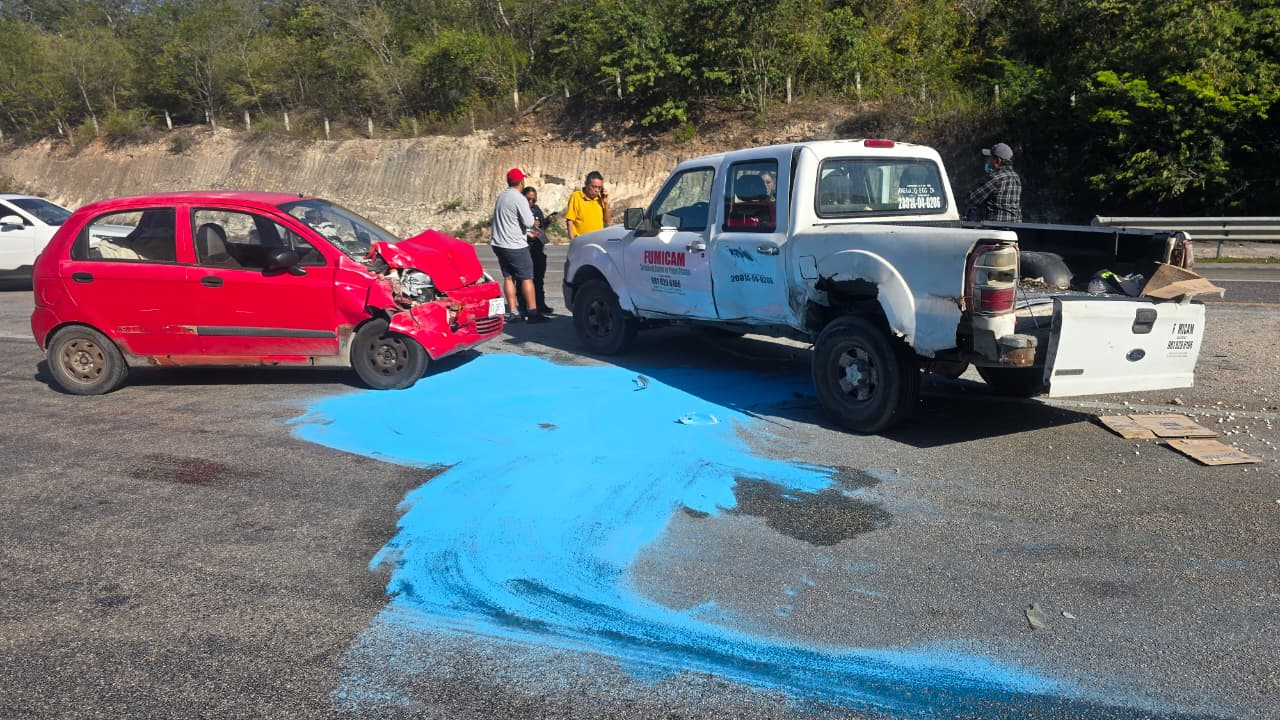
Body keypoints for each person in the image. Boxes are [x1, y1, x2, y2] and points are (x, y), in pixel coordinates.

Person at [490, 168, 547, 323]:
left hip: (499, 243)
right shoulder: (519, 198)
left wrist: (526, 233)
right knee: (527, 277)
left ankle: (513, 311)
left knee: (508, 277)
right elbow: (528, 222)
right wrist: (532, 227)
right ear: (521, 182)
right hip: (514, 245)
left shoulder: (502, 196)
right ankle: (533, 312)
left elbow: (509, 221)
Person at [965, 142, 1022, 222]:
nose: (987, 161)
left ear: (998, 161)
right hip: (1015, 225)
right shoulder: (1016, 177)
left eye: (990, 158)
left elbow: (971, 200)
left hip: (996, 226)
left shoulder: (995, 178)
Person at [521, 185, 555, 315]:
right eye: (528, 199)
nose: (531, 202)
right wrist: (530, 224)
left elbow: (541, 227)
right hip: (526, 248)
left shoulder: (537, 209)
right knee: (525, 279)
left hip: (538, 247)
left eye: (533, 200)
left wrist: (547, 221)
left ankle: (541, 304)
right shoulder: (520, 210)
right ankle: (525, 307)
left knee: (539, 279)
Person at [565, 170, 610, 240]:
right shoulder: (576, 196)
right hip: (582, 241)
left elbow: (607, 221)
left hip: (598, 241)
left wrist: (606, 203)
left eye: (599, 187)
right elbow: (570, 221)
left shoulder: (600, 199)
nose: (596, 190)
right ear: (586, 184)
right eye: (594, 187)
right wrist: (573, 241)